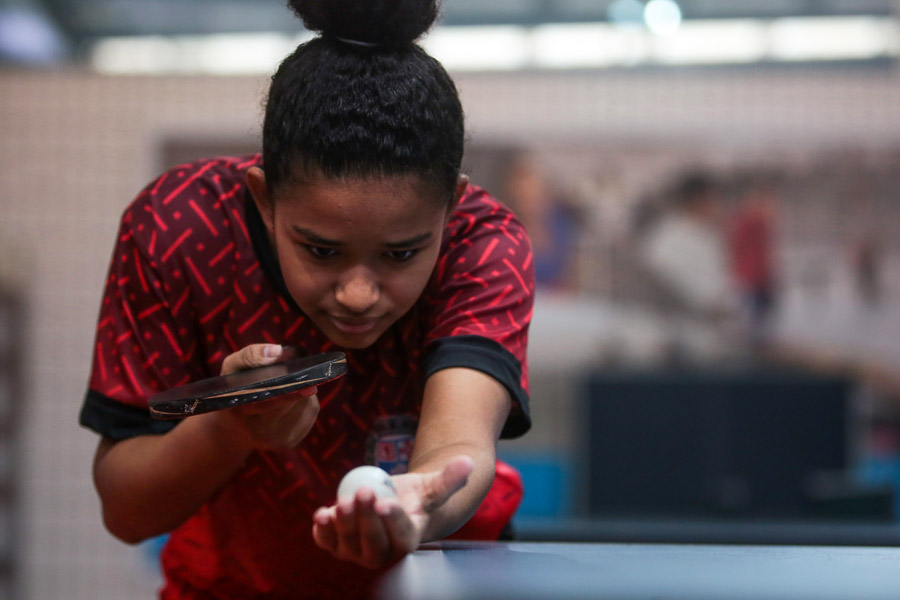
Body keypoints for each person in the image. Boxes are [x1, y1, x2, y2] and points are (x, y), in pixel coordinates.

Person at [78, 1, 534, 598]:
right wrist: (231, 429)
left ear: (451, 206)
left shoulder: (486, 245)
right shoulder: (176, 228)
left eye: (399, 255)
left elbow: (457, 443)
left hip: (438, 580)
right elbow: (127, 513)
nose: (358, 294)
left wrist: (413, 510)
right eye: (320, 251)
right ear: (264, 201)